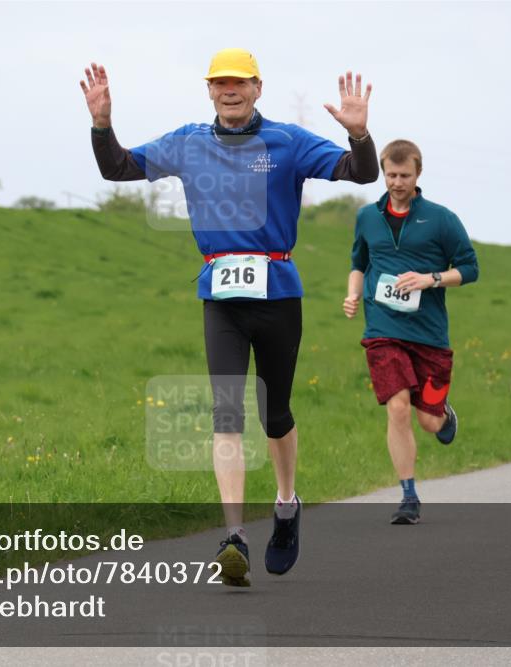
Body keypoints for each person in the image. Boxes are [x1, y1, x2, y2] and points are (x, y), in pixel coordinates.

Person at [80, 49, 378, 586]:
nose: (229, 91)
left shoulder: (288, 141)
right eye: (220, 83)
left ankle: (286, 505)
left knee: (276, 414)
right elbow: (117, 167)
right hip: (220, 296)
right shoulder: (189, 141)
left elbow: (359, 173)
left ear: (258, 87)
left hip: (278, 291)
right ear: (209, 90)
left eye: (239, 82)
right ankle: (234, 536)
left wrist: (359, 135)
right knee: (226, 415)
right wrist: (102, 125)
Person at [343, 140, 478, 524]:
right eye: (390, 175)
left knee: (428, 421)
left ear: (418, 174)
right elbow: (358, 262)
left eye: (404, 175)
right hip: (383, 329)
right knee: (397, 406)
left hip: (430, 337)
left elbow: (470, 268)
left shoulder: (441, 219)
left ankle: (444, 415)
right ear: (383, 172)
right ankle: (408, 496)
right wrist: (353, 295)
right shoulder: (368, 217)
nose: (397, 183)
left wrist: (430, 279)